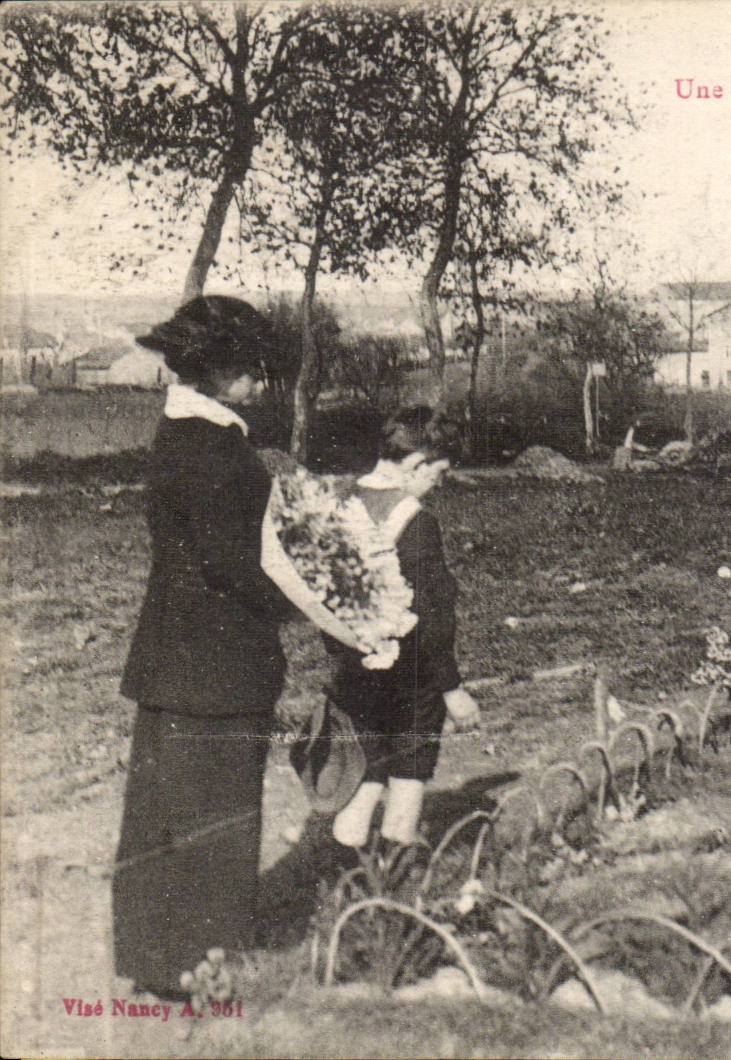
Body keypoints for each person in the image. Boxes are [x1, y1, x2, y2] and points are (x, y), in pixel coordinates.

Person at [115, 295, 292, 999]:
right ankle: (202, 958)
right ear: (215, 370)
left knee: (164, 808)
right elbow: (231, 561)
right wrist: (311, 601)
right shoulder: (216, 447)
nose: (258, 382)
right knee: (214, 809)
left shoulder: (183, 431)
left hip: (175, 652)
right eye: (250, 370)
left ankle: (159, 959)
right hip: (217, 656)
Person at [327, 406, 480, 851]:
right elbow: (433, 615)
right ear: (414, 464)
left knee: (372, 757)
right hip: (412, 666)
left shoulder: (341, 501)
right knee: (412, 756)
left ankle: (351, 846)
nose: (438, 484)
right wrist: (451, 687)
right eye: (438, 472)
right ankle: (399, 844)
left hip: (353, 659)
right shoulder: (415, 521)